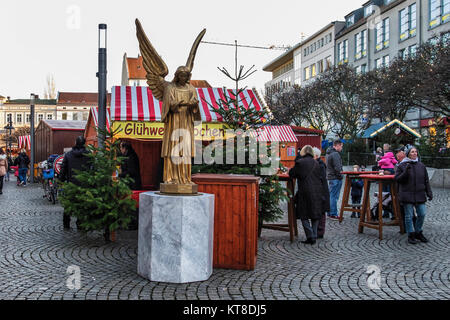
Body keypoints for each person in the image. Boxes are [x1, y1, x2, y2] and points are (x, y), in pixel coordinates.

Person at [289, 145, 329, 245]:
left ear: (302, 152)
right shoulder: (317, 163)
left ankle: (310, 235)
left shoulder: (300, 163)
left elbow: (292, 174)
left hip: (305, 191)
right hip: (317, 191)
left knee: (304, 215)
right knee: (315, 214)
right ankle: (314, 235)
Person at [395, 146, 433, 245]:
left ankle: (418, 231)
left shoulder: (421, 166)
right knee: (409, 216)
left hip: (419, 194)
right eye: (412, 152)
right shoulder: (402, 166)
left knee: (422, 213)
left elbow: (426, 180)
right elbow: (398, 179)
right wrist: (406, 171)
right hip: (407, 194)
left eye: (416, 152)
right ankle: (410, 234)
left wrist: (429, 192)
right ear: (408, 154)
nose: (414, 153)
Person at [59, 136, 91, 229]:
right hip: (84, 184)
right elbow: (92, 169)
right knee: (82, 205)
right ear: (84, 143)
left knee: (68, 205)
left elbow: (63, 169)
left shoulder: (68, 155)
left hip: (71, 184)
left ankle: (66, 224)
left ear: (75, 143)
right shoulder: (88, 155)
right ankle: (80, 224)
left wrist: (61, 180)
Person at [313, 147, 330, 239]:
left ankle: (320, 231)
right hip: (321, 191)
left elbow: (320, 178)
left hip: (321, 192)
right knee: (320, 211)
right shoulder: (320, 164)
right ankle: (318, 231)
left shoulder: (320, 165)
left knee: (321, 211)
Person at [326, 139, 344, 220]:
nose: (342, 148)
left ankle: (330, 213)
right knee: (334, 196)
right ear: (338, 145)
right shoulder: (335, 154)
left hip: (330, 177)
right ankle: (333, 213)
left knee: (331, 195)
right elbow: (337, 168)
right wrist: (340, 176)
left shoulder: (328, 153)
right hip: (335, 178)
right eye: (341, 146)